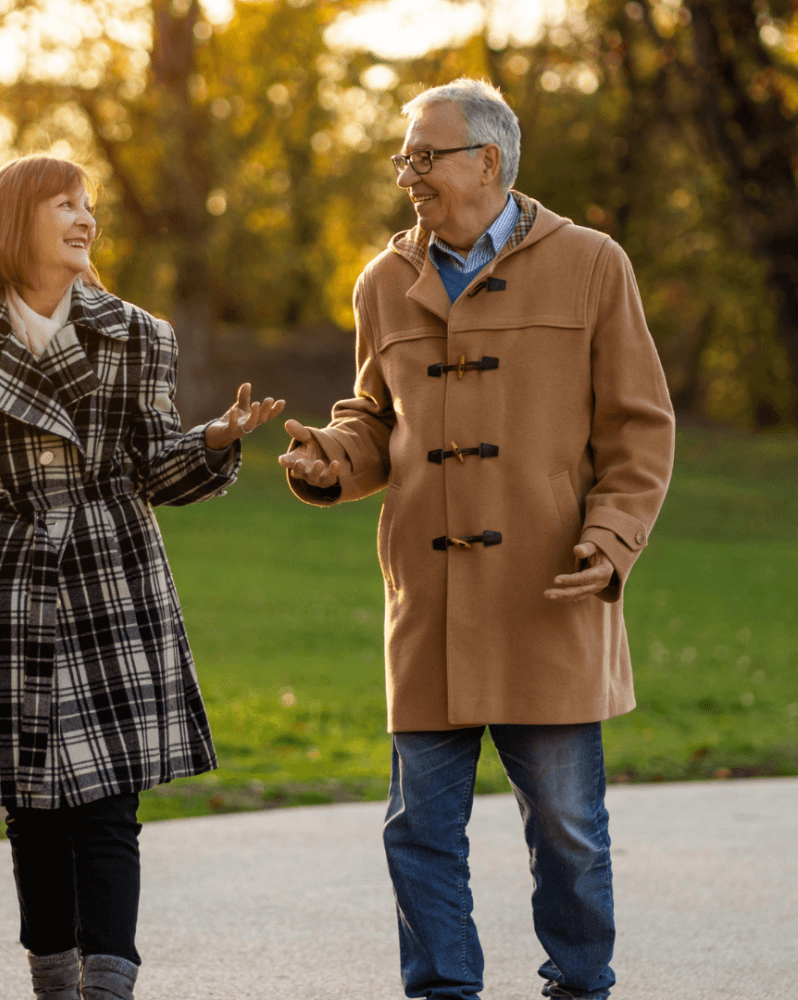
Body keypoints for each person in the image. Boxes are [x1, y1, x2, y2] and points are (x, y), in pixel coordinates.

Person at [279, 79, 675, 999]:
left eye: (425, 156)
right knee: (417, 829)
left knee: (568, 830)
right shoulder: (383, 280)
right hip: (431, 600)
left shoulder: (592, 264)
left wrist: (611, 538)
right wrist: (330, 457)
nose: (408, 174)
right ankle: (443, 992)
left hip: (550, 593)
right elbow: (377, 420)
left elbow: (639, 427)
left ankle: (579, 987)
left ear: (486, 162)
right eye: (404, 158)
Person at [0, 154, 284, 1000]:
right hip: (4, 585)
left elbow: (153, 469)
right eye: (64, 203)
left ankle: (107, 988)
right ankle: (54, 985)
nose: (85, 219)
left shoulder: (138, 334)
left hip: (111, 577)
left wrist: (214, 441)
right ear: (12, 219)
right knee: (32, 809)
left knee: (110, 807)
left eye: (89, 205)